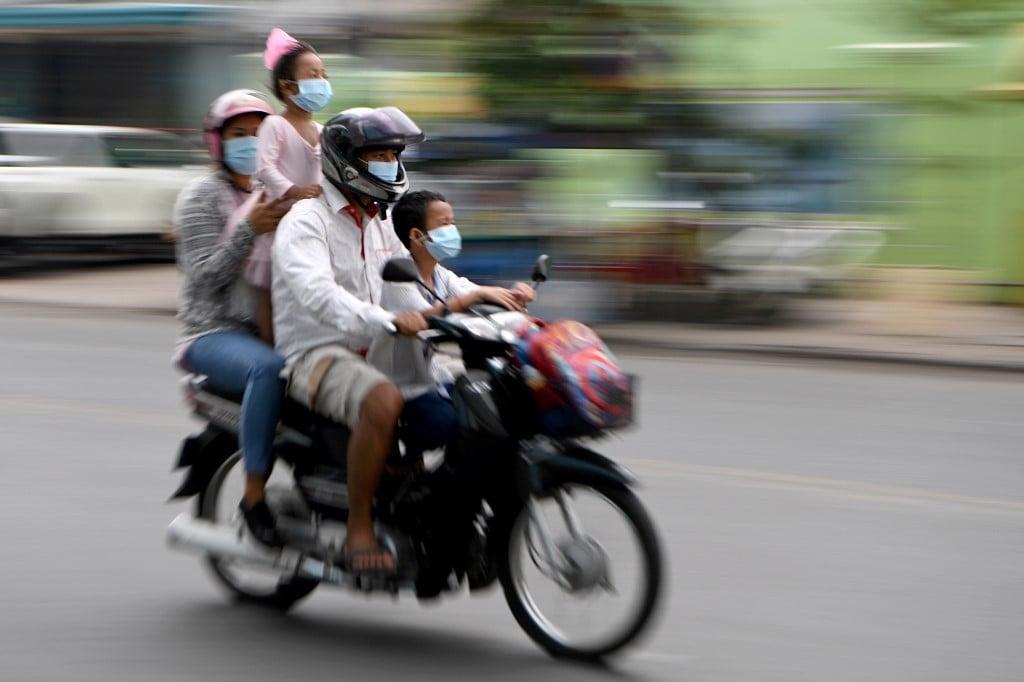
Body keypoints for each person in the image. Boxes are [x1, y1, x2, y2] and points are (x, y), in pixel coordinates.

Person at [272, 106, 428, 577]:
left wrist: (483, 301)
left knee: (456, 386)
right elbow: (319, 295)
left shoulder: (380, 222)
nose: (386, 163)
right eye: (375, 154)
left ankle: (411, 494)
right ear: (345, 161)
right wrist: (385, 320)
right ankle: (360, 527)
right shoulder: (306, 222)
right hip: (317, 354)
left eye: (391, 154)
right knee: (383, 400)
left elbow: (418, 280)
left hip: (374, 344)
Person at [173, 89, 290, 547]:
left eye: (259, 134)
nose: (250, 142)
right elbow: (202, 276)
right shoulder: (202, 195)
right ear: (217, 143)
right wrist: (247, 230)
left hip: (275, 324)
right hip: (213, 332)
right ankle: (254, 497)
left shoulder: (278, 191)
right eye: (239, 134)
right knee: (269, 370)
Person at [243, 29, 330, 341]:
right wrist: (293, 191)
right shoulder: (274, 125)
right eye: (313, 74)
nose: (321, 80)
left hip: (310, 224)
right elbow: (264, 167)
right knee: (271, 293)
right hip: (277, 224)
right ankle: (270, 348)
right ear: (288, 86)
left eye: (324, 74)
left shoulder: (323, 129)